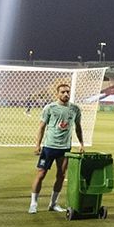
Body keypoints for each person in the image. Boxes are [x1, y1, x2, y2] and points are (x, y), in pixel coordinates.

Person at [29, 81, 83, 214]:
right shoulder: (50, 108)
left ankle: (53, 204)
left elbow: (78, 127)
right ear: (57, 94)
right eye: (63, 92)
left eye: (67, 92)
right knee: (41, 174)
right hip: (49, 147)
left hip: (65, 148)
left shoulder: (75, 109)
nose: (66, 94)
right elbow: (41, 127)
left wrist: (81, 144)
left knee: (61, 175)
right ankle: (33, 203)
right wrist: (37, 145)